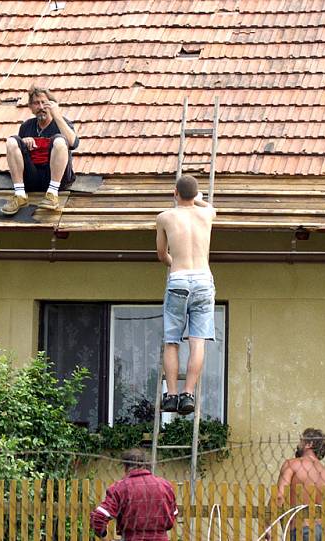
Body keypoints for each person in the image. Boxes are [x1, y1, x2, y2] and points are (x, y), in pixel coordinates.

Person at [155, 174, 216, 415]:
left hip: (179, 279)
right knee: (197, 342)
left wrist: (174, 264)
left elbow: (161, 254)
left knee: (172, 341)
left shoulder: (165, 217)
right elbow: (211, 207)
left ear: (174, 193)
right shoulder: (206, 214)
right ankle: (188, 393)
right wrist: (199, 199)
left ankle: (171, 395)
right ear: (196, 194)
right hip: (203, 279)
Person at [1, 85, 79, 214]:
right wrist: (23, 143)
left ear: (52, 105)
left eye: (44, 103)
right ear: (31, 107)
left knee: (59, 140)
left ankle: (52, 195)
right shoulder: (26, 126)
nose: (41, 107)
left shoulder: (62, 123)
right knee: (12, 141)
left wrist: (57, 116)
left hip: (57, 179)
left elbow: (73, 143)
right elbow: (18, 155)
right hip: (32, 178)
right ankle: (20, 194)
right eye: (36, 103)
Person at [90, 448, 178, 541]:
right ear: (146, 465)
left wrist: (103, 536)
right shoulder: (165, 486)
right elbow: (174, 513)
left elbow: (98, 517)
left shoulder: (120, 488)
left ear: (126, 466)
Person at [275, 428, 325, 541]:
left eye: (301, 441)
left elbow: (279, 496)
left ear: (309, 444)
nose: (298, 444)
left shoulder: (292, 464)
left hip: (303, 531)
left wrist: (267, 524)